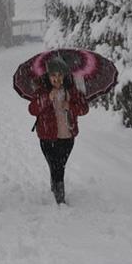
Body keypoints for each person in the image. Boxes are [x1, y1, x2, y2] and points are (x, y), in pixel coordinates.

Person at [28, 55, 89, 204]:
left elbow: (84, 108)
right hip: (47, 137)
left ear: (65, 76)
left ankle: (55, 187)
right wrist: (47, 98)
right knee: (56, 166)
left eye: (60, 75)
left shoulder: (72, 90)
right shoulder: (41, 91)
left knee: (59, 165)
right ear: (48, 76)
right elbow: (32, 110)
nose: (56, 79)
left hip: (68, 136)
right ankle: (59, 198)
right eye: (53, 75)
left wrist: (71, 106)